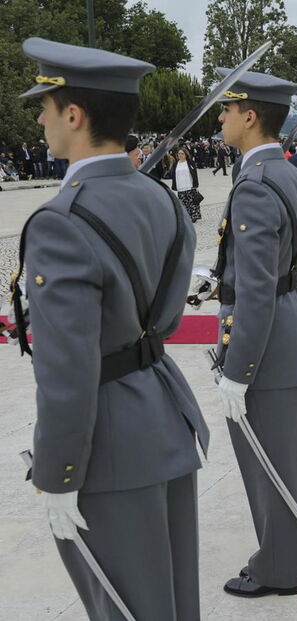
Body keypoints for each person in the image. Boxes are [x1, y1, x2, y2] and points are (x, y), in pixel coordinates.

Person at [13, 37, 208, 620]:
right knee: (170, 603)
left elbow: (67, 370)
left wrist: (58, 473)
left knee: (125, 608)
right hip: (164, 414)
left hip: (110, 444)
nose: (42, 120)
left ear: (74, 115)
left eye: (46, 108)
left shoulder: (60, 222)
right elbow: (166, 315)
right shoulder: (162, 199)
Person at [212, 68, 297, 598]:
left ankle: (279, 567)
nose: (221, 118)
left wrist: (237, 371)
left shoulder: (255, 184)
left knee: (271, 463)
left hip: (266, 338)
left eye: (228, 110)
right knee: (294, 458)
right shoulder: (287, 172)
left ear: (250, 117)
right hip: (290, 326)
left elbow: (255, 292)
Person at [170, 146, 202, 222]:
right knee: (183, 204)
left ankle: (193, 216)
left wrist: (195, 184)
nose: (180, 155)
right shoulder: (175, 164)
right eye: (179, 154)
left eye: (182, 154)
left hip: (189, 185)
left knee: (192, 202)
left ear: (186, 154)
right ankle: (185, 217)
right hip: (180, 186)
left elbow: (194, 174)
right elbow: (173, 175)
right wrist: (174, 185)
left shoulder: (190, 163)